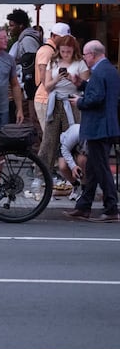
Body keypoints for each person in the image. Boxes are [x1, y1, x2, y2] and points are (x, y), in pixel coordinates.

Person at [63, 40, 120, 223]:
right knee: (94, 168)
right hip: (106, 126)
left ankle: (111, 208)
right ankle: (84, 206)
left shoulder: (98, 72)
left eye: (85, 55)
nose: (84, 59)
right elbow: (99, 92)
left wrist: (79, 102)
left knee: (101, 169)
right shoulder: (109, 70)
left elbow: (95, 99)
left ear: (92, 54)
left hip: (98, 127)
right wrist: (81, 84)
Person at [37, 34, 89, 176]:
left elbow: (85, 88)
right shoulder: (53, 62)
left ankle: (74, 173)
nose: (65, 54)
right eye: (63, 51)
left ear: (74, 50)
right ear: (58, 50)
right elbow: (47, 87)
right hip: (55, 102)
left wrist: (73, 79)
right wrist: (57, 79)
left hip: (72, 103)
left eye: (69, 51)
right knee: (49, 139)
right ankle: (43, 173)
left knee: (73, 139)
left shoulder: (80, 63)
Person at [6, 8, 42, 126]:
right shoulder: (23, 39)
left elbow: (31, 64)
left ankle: (36, 144)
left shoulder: (27, 40)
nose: (9, 28)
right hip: (27, 86)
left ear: (20, 25)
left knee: (30, 118)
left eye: (12, 25)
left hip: (30, 88)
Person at [32, 22, 69, 137]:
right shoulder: (47, 51)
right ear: (53, 36)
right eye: (62, 38)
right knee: (50, 137)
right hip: (45, 98)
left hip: (49, 97)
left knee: (53, 137)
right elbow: (43, 76)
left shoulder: (53, 50)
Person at [58, 123, 87, 202]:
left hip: (83, 151)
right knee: (62, 167)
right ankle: (75, 184)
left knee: (82, 160)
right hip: (68, 146)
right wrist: (73, 166)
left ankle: (84, 188)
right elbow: (65, 150)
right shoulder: (75, 133)